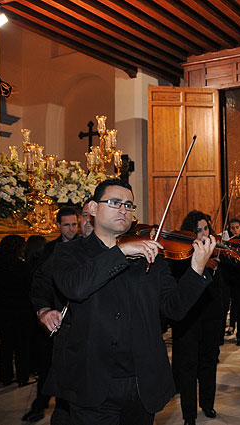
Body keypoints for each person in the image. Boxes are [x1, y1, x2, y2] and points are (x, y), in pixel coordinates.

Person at [43, 178, 216, 424]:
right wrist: (121, 252)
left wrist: (196, 269)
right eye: (115, 203)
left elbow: (174, 308)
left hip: (141, 382)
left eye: (129, 205)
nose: (123, 209)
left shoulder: (151, 256)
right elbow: (76, 288)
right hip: (91, 382)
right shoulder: (69, 253)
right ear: (93, 208)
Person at [24, 207, 80, 424]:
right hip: (56, 319)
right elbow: (40, 283)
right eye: (67, 225)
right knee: (49, 369)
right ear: (58, 226)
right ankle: (41, 406)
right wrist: (45, 309)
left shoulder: (85, 246)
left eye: (74, 224)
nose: (72, 229)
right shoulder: (51, 250)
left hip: (78, 321)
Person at [170, 210, 224, 425]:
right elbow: (176, 283)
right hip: (188, 317)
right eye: (198, 230)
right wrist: (199, 263)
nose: (203, 234)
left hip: (211, 313)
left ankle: (208, 403)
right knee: (187, 365)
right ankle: (189, 413)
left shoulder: (215, 250)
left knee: (209, 360)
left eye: (206, 229)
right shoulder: (180, 254)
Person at [0, 235, 36, 387]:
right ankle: (23, 377)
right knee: (22, 346)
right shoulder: (23, 266)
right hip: (21, 309)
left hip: (2, 308)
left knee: (6, 345)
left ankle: (6, 377)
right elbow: (31, 288)